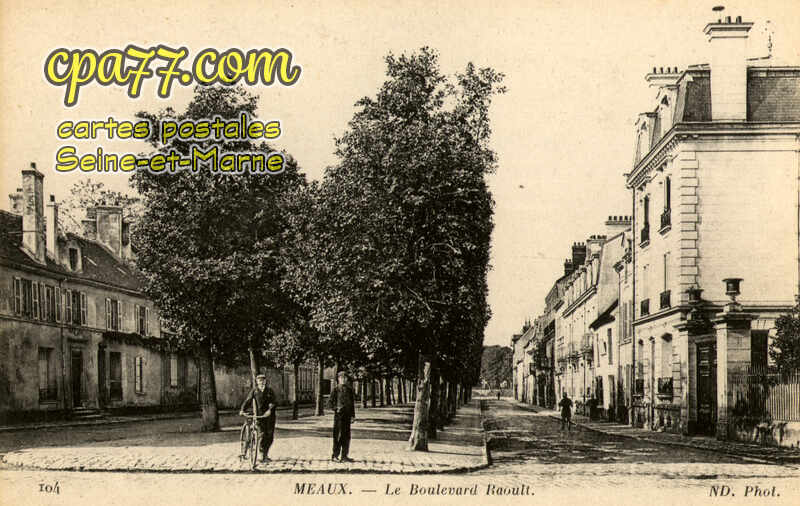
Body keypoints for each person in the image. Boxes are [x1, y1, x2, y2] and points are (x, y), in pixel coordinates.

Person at [239, 374, 276, 463]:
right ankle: (261, 454)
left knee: (270, 437)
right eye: (259, 381)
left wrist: (270, 410)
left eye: (263, 380)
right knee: (262, 435)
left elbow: (274, 402)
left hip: (269, 416)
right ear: (257, 382)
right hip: (259, 416)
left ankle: (265, 454)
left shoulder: (270, 391)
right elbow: (248, 401)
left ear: (265, 381)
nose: (261, 382)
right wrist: (242, 410)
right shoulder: (254, 391)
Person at [328, 372, 356, 462]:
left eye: (345, 378)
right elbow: (330, 403)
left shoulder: (350, 390)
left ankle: (344, 456)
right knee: (338, 436)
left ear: (347, 379)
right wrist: (336, 408)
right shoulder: (335, 390)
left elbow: (352, 404)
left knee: (347, 436)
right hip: (339, 417)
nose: (343, 379)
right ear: (338, 379)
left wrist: (353, 416)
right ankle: (335, 455)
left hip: (347, 416)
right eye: (341, 378)